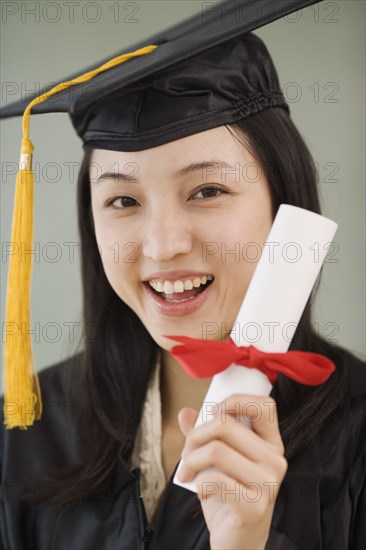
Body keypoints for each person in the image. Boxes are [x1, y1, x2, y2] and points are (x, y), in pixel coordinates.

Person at [1, 1, 365, 549]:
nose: (165, 245)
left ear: (283, 201)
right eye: (123, 200)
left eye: (208, 191)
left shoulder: (358, 434)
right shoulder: (31, 430)